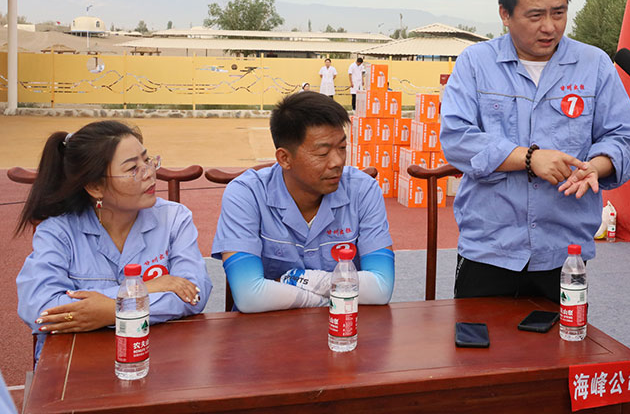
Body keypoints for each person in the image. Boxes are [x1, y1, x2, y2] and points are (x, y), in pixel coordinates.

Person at [440, 0, 630, 302]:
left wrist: (596, 166)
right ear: (505, 14)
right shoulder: (476, 63)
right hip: (489, 250)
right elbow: (457, 139)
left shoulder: (594, 65)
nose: (549, 27)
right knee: (479, 337)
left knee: (562, 336)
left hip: (564, 251)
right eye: (535, 16)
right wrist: (530, 158)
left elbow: (621, 136)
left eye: (559, 13)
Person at [16, 121, 212, 361]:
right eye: (133, 168)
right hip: (76, 363)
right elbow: (40, 310)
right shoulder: (59, 232)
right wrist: (147, 289)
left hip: (157, 355)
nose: (150, 173)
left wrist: (111, 310)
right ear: (95, 187)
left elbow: (194, 294)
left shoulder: (173, 218)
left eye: (147, 160)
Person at [212, 90, 394, 312]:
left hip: (342, 326)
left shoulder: (363, 190)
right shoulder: (246, 194)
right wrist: (327, 299)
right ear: (285, 158)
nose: (337, 162)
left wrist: (298, 280)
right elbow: (250, 296)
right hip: (266, 329)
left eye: (342, 148)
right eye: (322, 153)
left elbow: (381, 287)